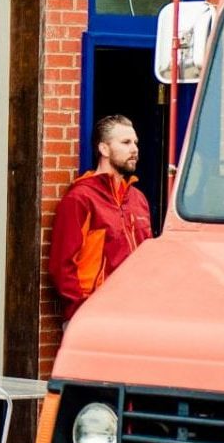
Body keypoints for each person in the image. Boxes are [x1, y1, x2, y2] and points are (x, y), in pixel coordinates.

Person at [47, 114, 152, 320]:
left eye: (135, 143)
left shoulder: (138, 199)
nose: (134, 149)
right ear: (104, 149)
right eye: (125, 142)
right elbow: (62, 266)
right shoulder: (81, 199)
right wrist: (82, 310)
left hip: (136, 312)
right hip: (94, 316)